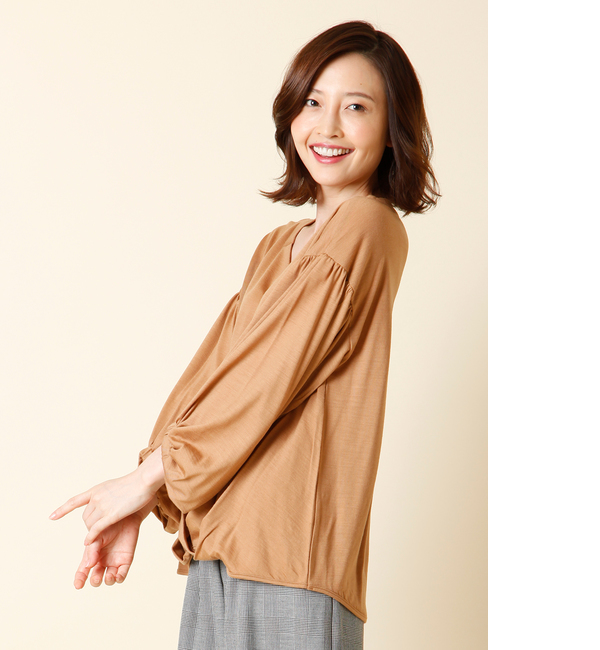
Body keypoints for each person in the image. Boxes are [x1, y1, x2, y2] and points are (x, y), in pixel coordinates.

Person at [50, 20, 439, 649]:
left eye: (356, 107)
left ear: (393, 129)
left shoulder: (368, 227)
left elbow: (268, 374)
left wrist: (147, 481)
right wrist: (147, 494)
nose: (328, 127)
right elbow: (217, 372)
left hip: (294, 560)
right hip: (219, 546)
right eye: (313, 102)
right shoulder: (276, 247)